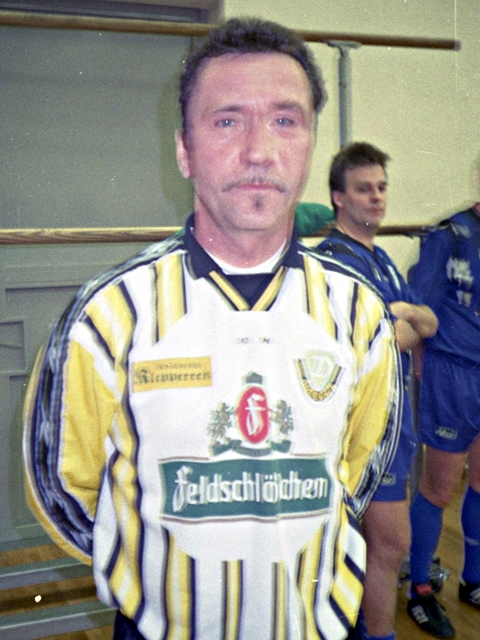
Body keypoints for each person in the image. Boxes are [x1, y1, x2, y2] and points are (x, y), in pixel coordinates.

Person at [22, 19, 402, 640]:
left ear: (310, 143)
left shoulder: (361, 314)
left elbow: (356, 474)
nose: (259, 150)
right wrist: (165, 571)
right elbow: (63, 490)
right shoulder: (106, 316)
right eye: (227, 121)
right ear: (184, 150)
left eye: (285, 120)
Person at [317, 142, 438, 640]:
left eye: (382, 188)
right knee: (389, 544)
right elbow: (374, 343)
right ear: (338, 197)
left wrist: (404, 314)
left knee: (378, 549)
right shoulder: (333, 261)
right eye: (364, 189)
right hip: (363, 428)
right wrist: (404, 324)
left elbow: (428, 324)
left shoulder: (381, 258)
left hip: (395, 422)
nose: (377, 198)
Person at [407, 195, 480, 638]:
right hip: (453, 372)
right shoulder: (449, 235)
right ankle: (419, 588)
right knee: (439, 488)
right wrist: (422, 362)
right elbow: (417, 304)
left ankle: (473, 580)